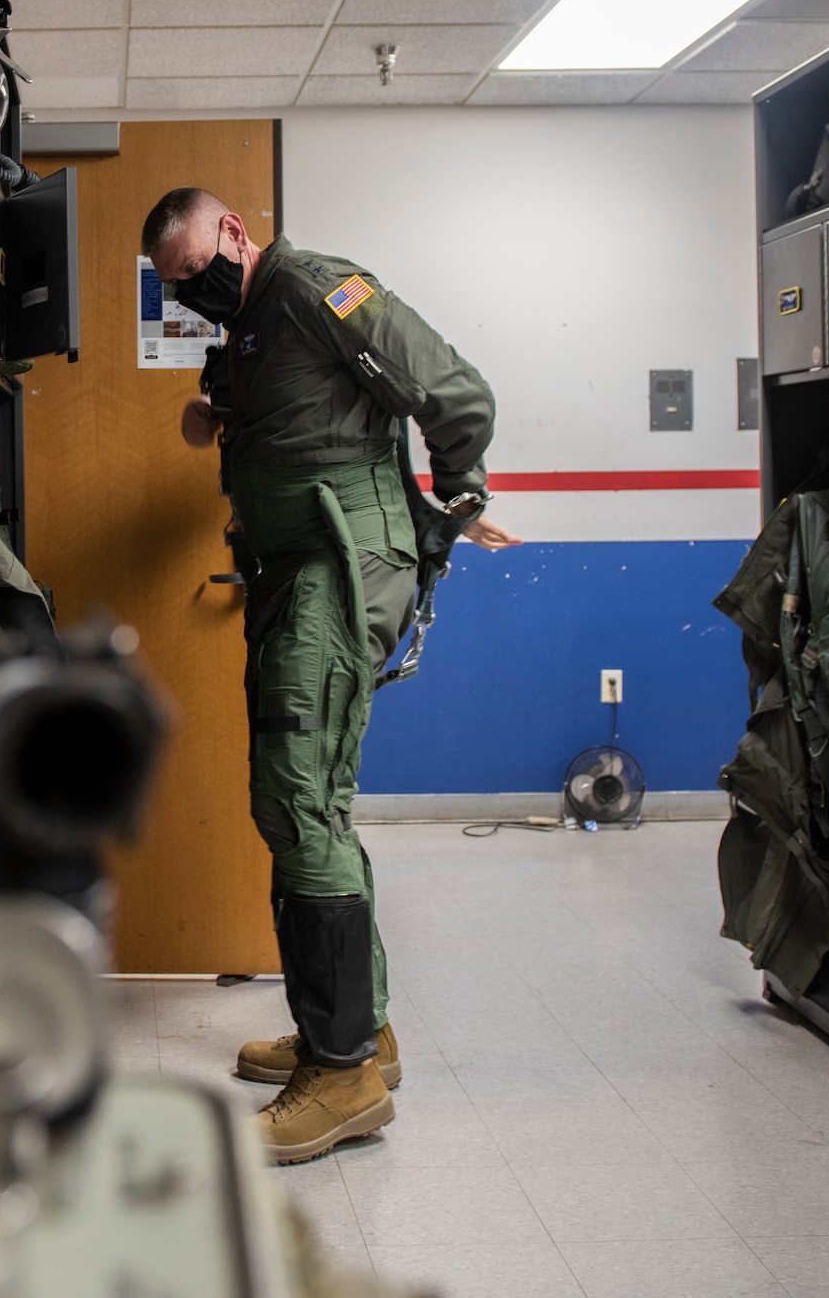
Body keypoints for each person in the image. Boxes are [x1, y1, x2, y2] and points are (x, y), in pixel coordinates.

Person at [144, 188, 520, 1163]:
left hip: (338, 563)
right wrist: (207, 408)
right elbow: (261, 411)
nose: (195, 292)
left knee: (297, 802)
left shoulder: (318, 289)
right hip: (292, 567)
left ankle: (341, 1072)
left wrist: (456, 491)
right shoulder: (251, 330)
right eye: (178, 288)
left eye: (198, 270)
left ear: (233, 231)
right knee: (308, 802)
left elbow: (455, 392)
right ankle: (363, 1032)